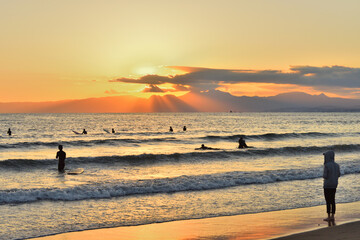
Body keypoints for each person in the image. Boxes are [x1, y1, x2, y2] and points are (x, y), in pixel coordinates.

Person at [323, 150, 340, 221]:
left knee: (328, 200)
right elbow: (339, 174)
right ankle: (333, 216)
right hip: (334, 184)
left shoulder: (326, 165)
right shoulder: (337, 165)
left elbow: (325, 176)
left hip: (327, 185)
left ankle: (329, 216)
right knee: (333, 200)